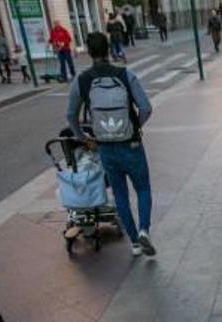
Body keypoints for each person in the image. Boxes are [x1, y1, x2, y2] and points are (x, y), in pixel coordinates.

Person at [66, 32, 157, 258]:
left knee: (120, 194)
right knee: (143, 188)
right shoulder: (125, 75)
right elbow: (146, 108)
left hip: (105, 147)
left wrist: (85, 138)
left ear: (89, 52)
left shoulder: (82, 80)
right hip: (131, 144)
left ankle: (135, 243)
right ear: (108, 49)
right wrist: (134, 127)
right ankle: (144, 229)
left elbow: (71, 115)